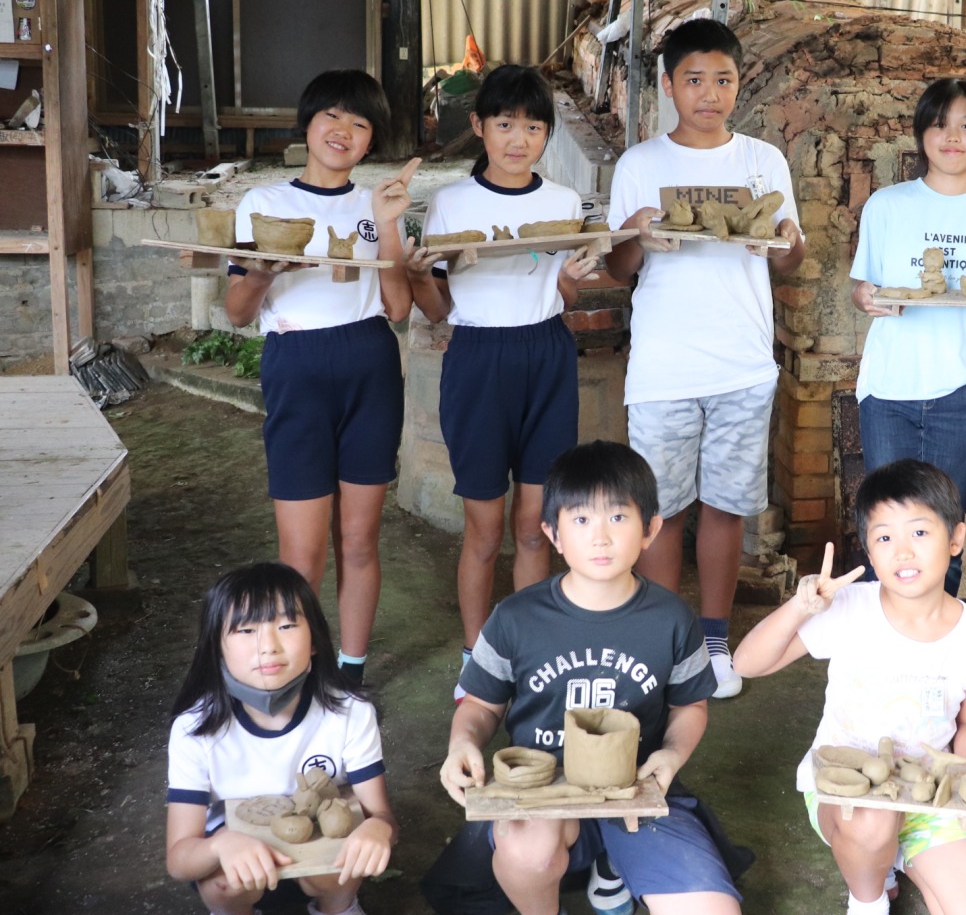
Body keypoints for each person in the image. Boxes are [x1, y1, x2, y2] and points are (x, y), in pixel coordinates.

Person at [432, 441, 742, 915]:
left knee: (713, 910)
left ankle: (614, 857)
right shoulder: (515, 618)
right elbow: (479, 705)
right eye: (580, 520)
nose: (600, 537)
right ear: (552, 534)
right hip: (542, 791)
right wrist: (462, 744)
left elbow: (689, 707)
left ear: (651, 529)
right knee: (526, 855)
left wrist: (672, 755)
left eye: (618, 518)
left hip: (635, 789)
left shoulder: (672, 619)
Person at [605, 17, 805, 699]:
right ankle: (670, 645)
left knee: (726, 507)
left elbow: (793, 255)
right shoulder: (641, 165)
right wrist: (633, 234)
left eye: (723, 79)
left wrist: (781, 239)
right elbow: (617, 268)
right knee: (661, 510)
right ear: (668, 86)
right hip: (663, 368)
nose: (710, 93)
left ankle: (714, 641)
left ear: (738, 84)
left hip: (743, 365)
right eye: (694, 79)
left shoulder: (761, 161)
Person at [733, 460, 966, 915]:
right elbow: (746, 663)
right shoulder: (848, 608)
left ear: (956, 538)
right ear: (868, 549)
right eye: (885, 537)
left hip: (929, 801)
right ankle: (868, 896)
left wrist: (965, 788)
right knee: (874, 822)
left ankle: (894, 855)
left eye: (920, 533)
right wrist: (800, 607)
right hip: (847, 792)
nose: (902, 552)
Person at [403, 64, 597, 701]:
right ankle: (475, 656)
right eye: (506, 123)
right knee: (484, 527)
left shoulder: (563, 203)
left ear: (547, 135)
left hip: (546, 354)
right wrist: (416, 274)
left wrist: (579, 270)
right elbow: (436, 306)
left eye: (534, 126)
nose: (519, 138)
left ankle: (533, 654)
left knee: (534, 524)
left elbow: (561, 293)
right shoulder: (452, 203)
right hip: (478, 358)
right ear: (479, 126)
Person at [226, 69, 418, 686]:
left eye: (360, 123)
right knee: (301, 553)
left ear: (370, 141)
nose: (344, 131)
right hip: (297, 366)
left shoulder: (377, 204)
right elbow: (237, 311)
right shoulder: (264, 204)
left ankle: (351, 675)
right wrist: (262, 272)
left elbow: (399, 310)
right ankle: (299, 673)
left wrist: (388, 223)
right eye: (333, 116)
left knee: (358, 540)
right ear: (307, 123)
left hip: (369, 361)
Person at [848, 78, 966, 595]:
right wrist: (867, 299)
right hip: (888, 390)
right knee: (888, 525)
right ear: (922, 133)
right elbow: (864, 288)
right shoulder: (888, 205)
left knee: (944, 526)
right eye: (941, 124)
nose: (954, 137)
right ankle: (891, 641)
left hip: (958, 387)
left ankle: (937, 638)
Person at [165, 562, 396, 915]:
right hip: (240, 868)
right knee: (222, 883)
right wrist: (219, 846)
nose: (268, 646)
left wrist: (379, 829)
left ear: (316, 640)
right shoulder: (195, 729)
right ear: (217, 647)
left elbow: (381, 816)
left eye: (287, 625)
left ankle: (340, 906)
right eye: (245, 630)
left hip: (327, 862)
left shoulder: (351, 712)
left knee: (343, 857)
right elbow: (180, 859)